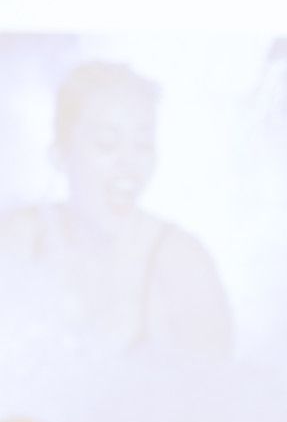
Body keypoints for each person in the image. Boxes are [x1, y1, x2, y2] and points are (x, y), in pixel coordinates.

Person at [0, 60, 233, 360]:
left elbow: (221, 394)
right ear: (60, 155)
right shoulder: (18, 242)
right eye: (107, 144)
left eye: (143, 144)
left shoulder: (181, 263)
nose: (130, 164)